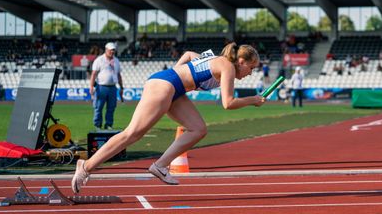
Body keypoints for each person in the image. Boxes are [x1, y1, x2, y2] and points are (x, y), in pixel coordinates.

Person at [72, 42, 264, 193]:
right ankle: (86, 166)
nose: (250, 73)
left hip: (173, 86)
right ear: (241, 61)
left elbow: (189, 54)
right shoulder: (228, 66)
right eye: (252, 67)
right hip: (165, 85)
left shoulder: (218, 60)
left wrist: (178, 75)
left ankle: (161, 166)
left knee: (198, 129)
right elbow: (228, 103)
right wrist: (253, 100)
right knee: (132, 134)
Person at [89, 42, 124, 131]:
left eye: (113, 50)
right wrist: (91, 86)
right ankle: (97, 125)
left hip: (113, 87)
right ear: (106, 50)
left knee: (111, 107)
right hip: (101, 87)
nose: (112, 52)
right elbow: (93, 74)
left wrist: (121, 87)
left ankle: (108, 124)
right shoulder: (99, 60)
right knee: (98, 107)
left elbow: (119, 74)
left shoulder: (116, 60)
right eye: (111, 50)